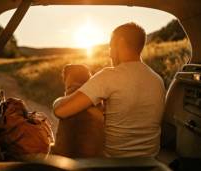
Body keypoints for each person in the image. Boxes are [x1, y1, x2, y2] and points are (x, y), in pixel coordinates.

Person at [53, 22, 165, 157]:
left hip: (112, 163)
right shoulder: (157, 80)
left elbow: (61, 111)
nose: (110, 54)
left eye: (111, 46)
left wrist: (59, 100)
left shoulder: (109, 76)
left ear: (120, 43)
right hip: (150, 162)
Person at [52, 64, 104, 158]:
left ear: (67, 79)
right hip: (94, 163)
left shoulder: (65, 105)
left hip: (64, 163)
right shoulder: (97, 101)